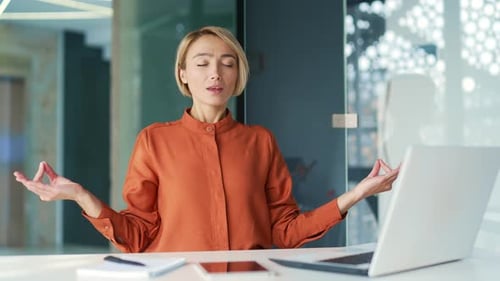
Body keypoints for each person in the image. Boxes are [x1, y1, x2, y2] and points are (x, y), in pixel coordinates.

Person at [13, 26, 399, 253]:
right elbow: (137, 235)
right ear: (183, 74)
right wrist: (81, 196)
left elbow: (284, 231)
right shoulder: (153, 142)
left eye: (228, 63)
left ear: (238, 75)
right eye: (202, 63)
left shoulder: (260, 142)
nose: (216, 72)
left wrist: (357, 194)